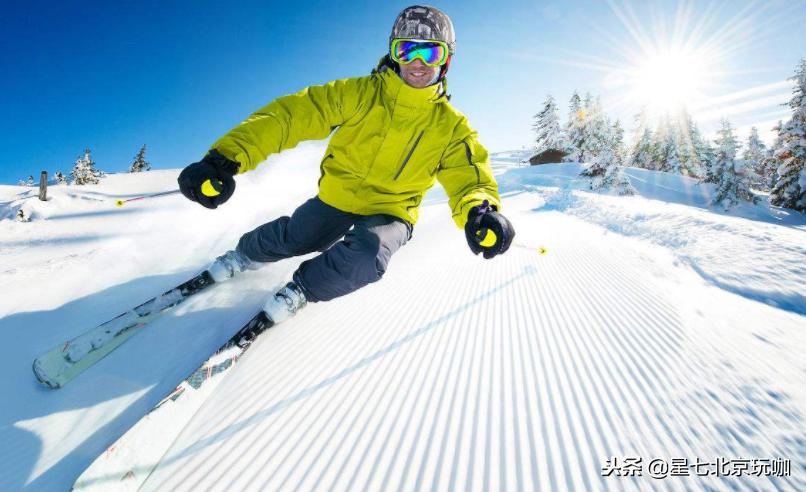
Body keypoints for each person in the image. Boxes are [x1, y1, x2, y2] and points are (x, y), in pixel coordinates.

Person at [177, 5, 515, 325]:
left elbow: (469, 178)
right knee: (297, 236)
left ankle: (302, 290)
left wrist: (480, 212)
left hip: (393, 209)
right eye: (407, 49)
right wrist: (224, 158)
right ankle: (242, 257)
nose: (417, 62)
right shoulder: (359, 94)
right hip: (339, 196)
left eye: (431, 52)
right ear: (393, 53)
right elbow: (289, 117)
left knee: (369, 253)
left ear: (446, 62)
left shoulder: (452, 128)